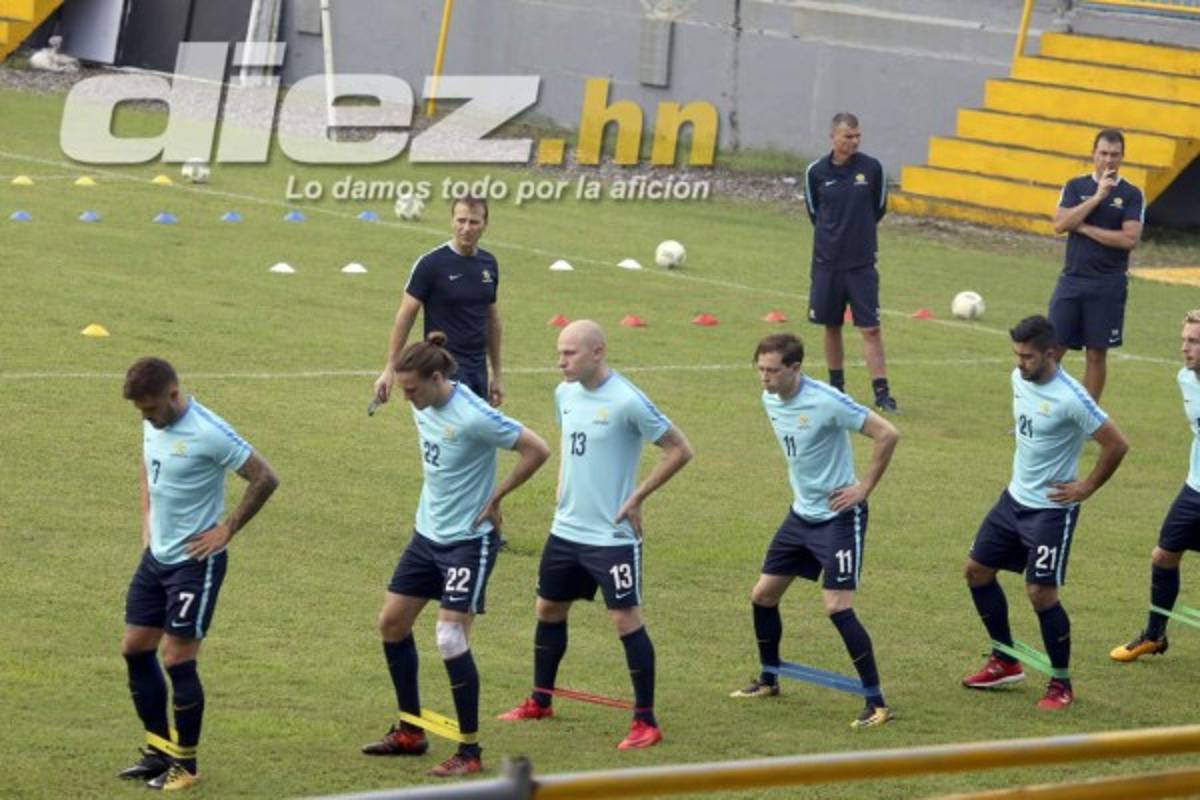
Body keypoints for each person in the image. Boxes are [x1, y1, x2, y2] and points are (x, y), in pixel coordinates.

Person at [497, 320, 693, 750]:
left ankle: (646, 721)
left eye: (569, 353)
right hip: (566, 530)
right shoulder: (564, 394)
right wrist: (563, 489)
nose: (560, 361)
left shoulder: (627, 401)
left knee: (625, 620)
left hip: (612, 537)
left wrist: (639, 496)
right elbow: (571, 445)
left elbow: (680, 449)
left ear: (597, 352)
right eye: (559, 352)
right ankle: (541, 700)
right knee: (548, 609)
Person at [361, 333, 550, 777]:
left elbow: (537, 449)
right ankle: (411, 731)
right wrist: (389, 378)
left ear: (438, 378)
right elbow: (403, 383)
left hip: (468, 540)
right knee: (391, 623)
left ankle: (469, 750)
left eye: (412, 390)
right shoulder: (422, 399)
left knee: (450, 638)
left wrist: (498, 496)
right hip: (426, 535)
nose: (407, 399)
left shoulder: (474, 416)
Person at [117, 357, 279, 791]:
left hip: (194, 564)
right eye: (141, 412)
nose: (147, 418)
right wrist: (147, 518)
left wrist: (227, 529)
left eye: (151, 409)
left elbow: (265, 478)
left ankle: (185, 766)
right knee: (135, 648)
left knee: (177, 658)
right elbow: (148, 463)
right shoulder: (155, 420)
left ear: (173, 394)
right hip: (157, 557)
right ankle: (158, 751)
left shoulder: (209, 432)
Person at [731, 333, 900, 729]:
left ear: (795, 368)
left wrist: (864, 488)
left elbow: (887, 433)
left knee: (837, 607)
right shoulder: (769, 398)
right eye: (760, 369)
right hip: (800, 516)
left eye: (773, 371)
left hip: (839, 518)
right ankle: (769, 679)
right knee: (763, 596)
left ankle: (877, 703)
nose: (765, 378)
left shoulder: (827, 401)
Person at [962, 316, 1128, 710]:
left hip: (1051, 511)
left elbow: (1117, 445)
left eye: (1028, 357)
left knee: (1040, 592)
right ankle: (1005, 659)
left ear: (1051, 354)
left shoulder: (1073, 397)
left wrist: (1085, 486)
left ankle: (1061, 684)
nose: (1020, 363)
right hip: (1013, 500)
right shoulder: (1019, 379)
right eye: (1017, 355)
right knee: (976, 571)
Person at [1110, 310, 1200, 662]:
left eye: (1193, 342)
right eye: (1184, 341)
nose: (1184, 349)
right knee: (1164, 555)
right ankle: (1154, 634)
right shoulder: (1185, 379)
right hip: (1195, 488)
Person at [803, 111, 896, 412]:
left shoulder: (872, 169)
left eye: (857, 136)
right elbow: (815, 214)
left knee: (870, 329)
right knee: (831, 326)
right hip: (827, 265)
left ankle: (882, 393)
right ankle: (836, 388)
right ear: (833, 137)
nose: (854, 141)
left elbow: (878, 209)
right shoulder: (815, 173)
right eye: (848, 136)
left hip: (861, 265)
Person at [373, 196, 504, 408]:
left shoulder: (489, 264)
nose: (466, 228)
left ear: (485, 225)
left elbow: (492, 320)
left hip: (477, 370)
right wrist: (390, 369)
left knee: (477, 438)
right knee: (452, 436)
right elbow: (405, 316)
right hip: (442, 371)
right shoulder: (431, 264)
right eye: (461, 221)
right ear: (452, 221)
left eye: (473, 222)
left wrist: (497, 375)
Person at [1050, 128, 1144, 402]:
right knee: (1052, 349)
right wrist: (1098, 198)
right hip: (1072, 279)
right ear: (1093, 154)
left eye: (1115, 155)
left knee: (1096, 353)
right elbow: (1060, 224)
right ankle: (1041, 413)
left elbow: (1129, 239)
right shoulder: (1075, 187)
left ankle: (1087, 419)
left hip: (1108, 284)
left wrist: (1085, 228)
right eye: (1103, 153)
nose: (1108, 161)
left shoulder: (1131, 194)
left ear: (1123, 157)